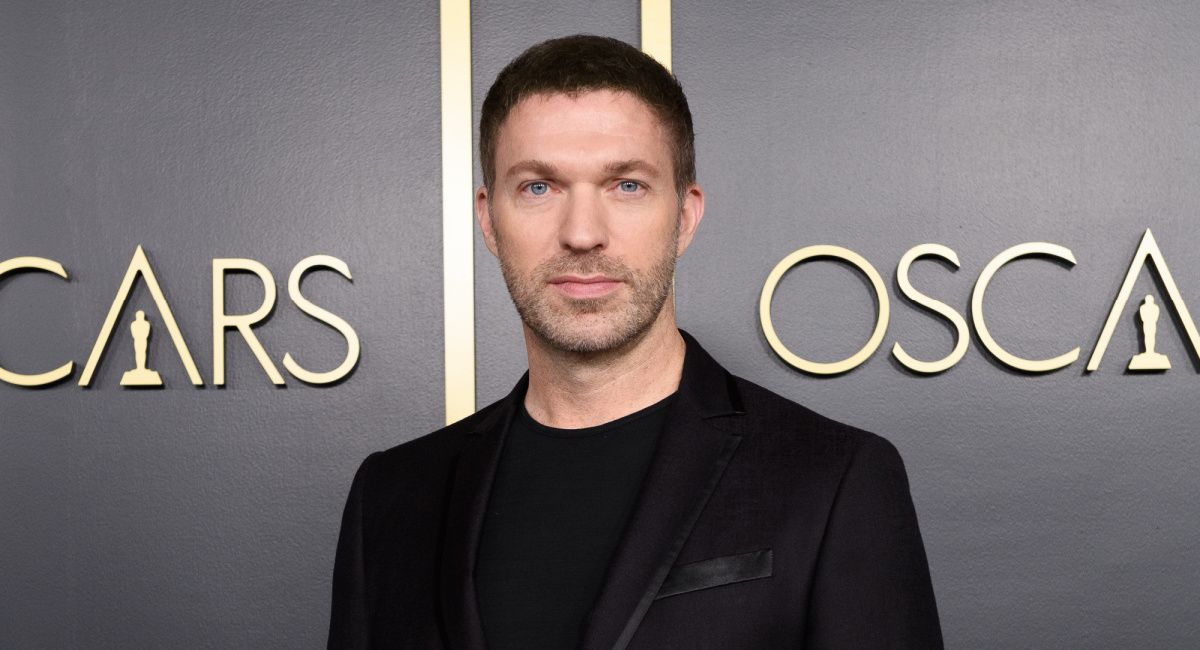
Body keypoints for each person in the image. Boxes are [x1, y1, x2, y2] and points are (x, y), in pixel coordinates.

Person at [328, 34, 943, 649]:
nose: (582, 233)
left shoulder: (836, 478)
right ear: (489, 220)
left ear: (685, 215)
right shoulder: (391, 496)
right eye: (539, 187)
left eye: (626, 185)